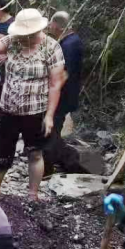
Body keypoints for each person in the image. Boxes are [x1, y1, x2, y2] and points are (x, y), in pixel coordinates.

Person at [0, 8, 66, 200]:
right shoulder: (12, 41)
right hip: (8, 109)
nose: (23, 37)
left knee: (35, 152)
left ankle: (32, 194)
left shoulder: (51, 47)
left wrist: (49, 116)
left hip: (36, 111)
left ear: (38, 31)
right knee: (2, 149)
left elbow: (55, 85)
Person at [45, 11, 85, 175]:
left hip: (62, 96)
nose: (49, 26)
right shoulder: (72, 41)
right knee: (54, 130)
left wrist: (50, 94)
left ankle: (49, 167)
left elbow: (64, 73)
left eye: (51, 24)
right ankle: (56, 161)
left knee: (51, 130)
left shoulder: (69, 45)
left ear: (58, 25)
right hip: (66, 95)